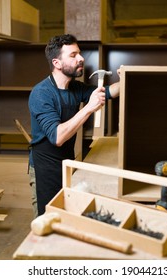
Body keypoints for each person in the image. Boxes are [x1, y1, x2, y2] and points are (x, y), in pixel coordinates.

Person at [28, 34, 120, 217]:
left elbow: (110, 91)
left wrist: (127, 76)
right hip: (44, 168)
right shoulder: (41, 94)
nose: (81, 58)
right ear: (57, 63)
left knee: (66, 215)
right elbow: (58, 136)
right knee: (47, 218)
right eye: (73, 55)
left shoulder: (75, 88)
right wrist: (89, 108)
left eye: (79, 53)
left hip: (66, 163)